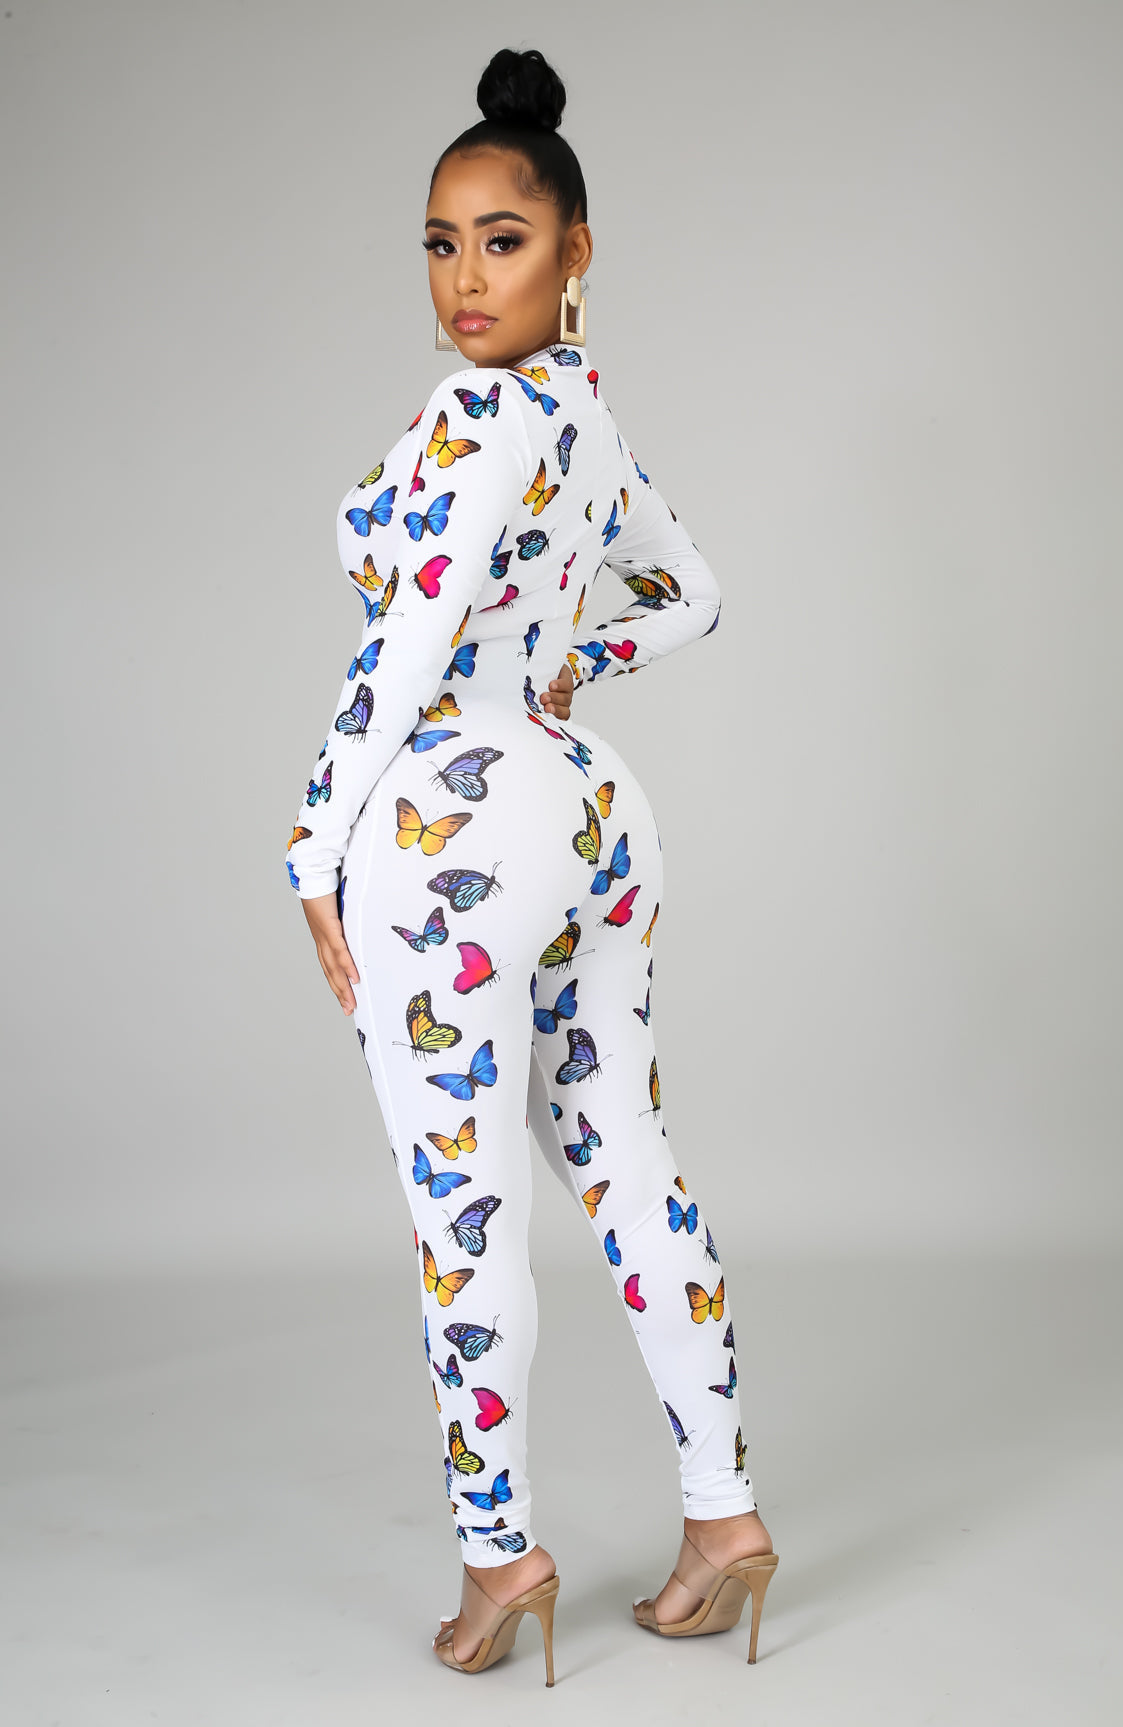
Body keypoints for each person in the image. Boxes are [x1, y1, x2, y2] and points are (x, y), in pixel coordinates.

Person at [283, 45, 778, 1682]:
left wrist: (311, 838)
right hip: (588, 814)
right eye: (441, 243)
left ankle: (501, 1561)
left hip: (451, 825)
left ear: (576, 251)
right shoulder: (585, 420)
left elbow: (412, 640)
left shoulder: (476, 412)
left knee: (467, 1199)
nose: (465, 277)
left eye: (502, 240)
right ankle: (723, 1516)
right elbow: (693, 593)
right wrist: (577, 668)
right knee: (626, 1154)